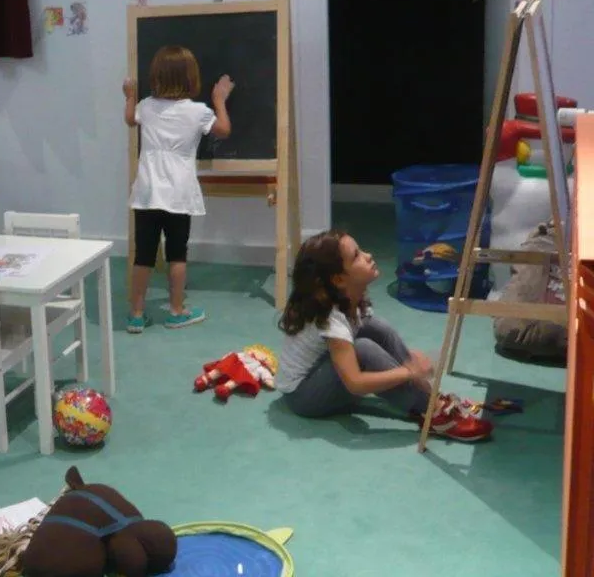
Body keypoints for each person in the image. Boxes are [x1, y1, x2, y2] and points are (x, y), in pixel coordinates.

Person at [275, 230, 493, 442]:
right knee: (363, 349)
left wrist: (410, 371)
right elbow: (356, 384)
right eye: (356, 256)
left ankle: (427, 396)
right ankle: (431, 411)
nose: (368, 255)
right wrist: (408, 371)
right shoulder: (333, 320)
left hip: (318, 374)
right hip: (303, 397)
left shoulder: (350, 301)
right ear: (339, 280)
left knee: (377, 327)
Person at [123, 45, 232, 332]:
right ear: (191, 78)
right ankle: (176, 310)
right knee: (177, 253)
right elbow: (223, 129)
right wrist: (219, 99)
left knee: (143, 254)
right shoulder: (197, 112)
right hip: (179, 193)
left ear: (156, 76)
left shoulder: (145, 105)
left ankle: (135, 314)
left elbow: (129, 119)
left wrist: (129, 96)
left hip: (147, 191)